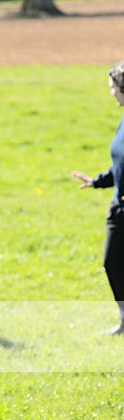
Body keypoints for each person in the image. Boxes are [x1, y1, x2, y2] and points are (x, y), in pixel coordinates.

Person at [72, 61, 124, 335]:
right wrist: (99, 181)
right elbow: (121, 163)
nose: (111, 93)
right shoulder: (123, 120)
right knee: (112, 263)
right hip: (119, 208)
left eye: (112, 87)